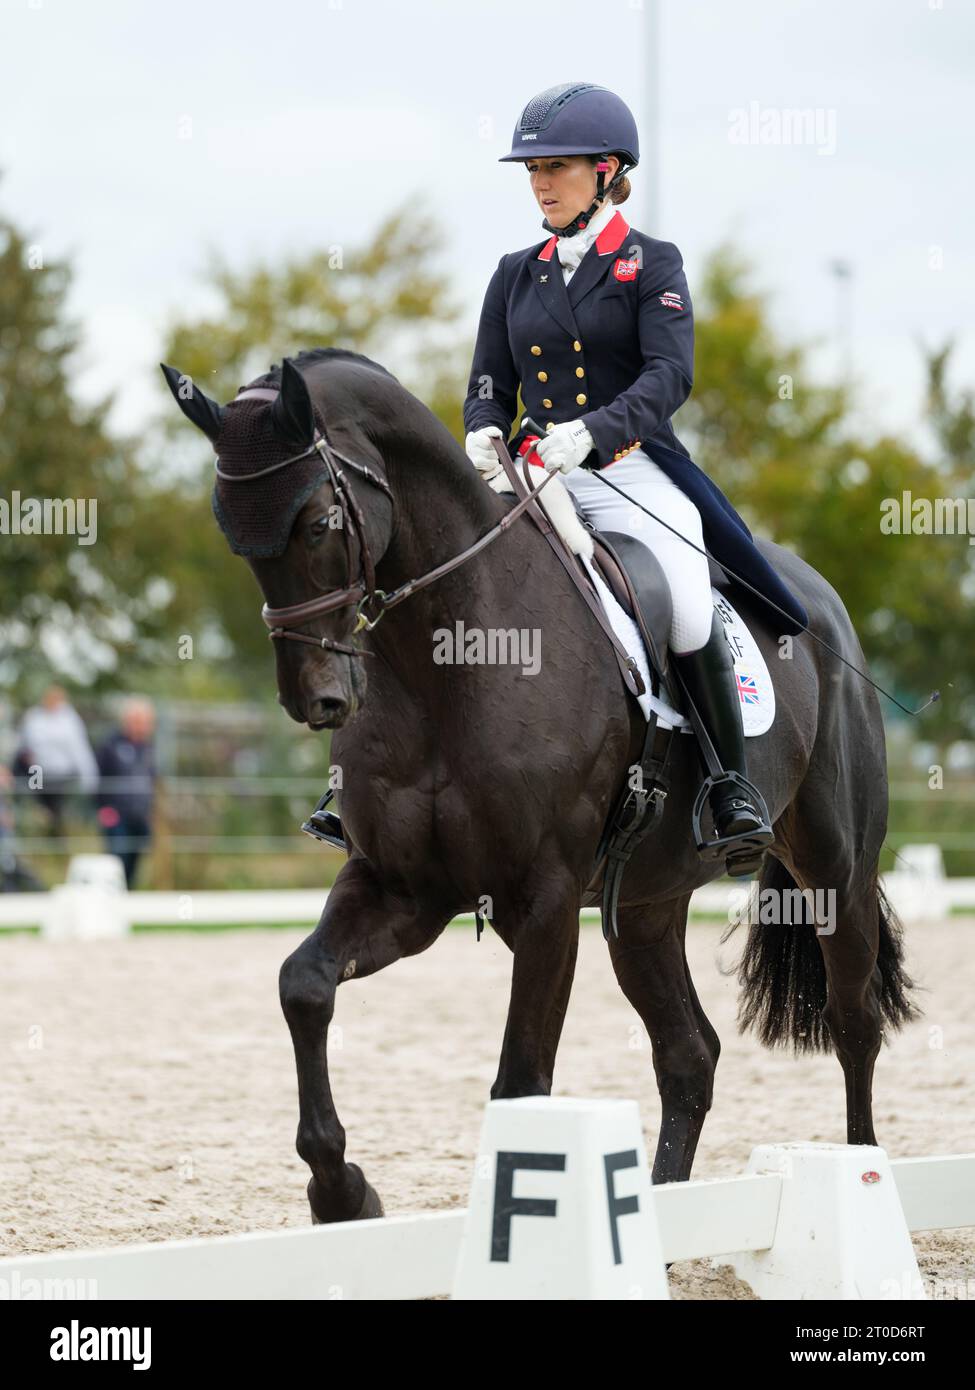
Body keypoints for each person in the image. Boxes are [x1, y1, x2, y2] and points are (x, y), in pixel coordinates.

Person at [462, 82, 808, 874]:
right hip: (532, 475)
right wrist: (482, 427)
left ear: (606, 169)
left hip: (629, 469)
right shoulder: (514, 272)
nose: (539, 183)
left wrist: (591, 431)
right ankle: (377, 782)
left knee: (686, 605)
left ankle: (730, 786)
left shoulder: (650, 263)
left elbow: (666, 377)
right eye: (531, 170)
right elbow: (488, 377)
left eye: (555, 167)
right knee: (434, 564)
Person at [12, 685, 99, 837]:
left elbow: (79, 749)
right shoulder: (34, 717)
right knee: (38, 802)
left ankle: (56, 832)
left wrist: (89, 777)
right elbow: (23, 745)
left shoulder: (70, 720)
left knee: (57, 806)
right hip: (37, 770)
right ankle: (42, 826)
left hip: (62, 773)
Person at [95, 697, 157, 888]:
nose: (142, 726)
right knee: (117, 859)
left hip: (140, 814)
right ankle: (112, 899)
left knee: (135, 859)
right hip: (116, 814)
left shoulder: (149, 748)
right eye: (137, 721)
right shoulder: (110, 745)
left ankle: (128, 900)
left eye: (146, 722)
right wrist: (104, 809)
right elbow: (97, 778)